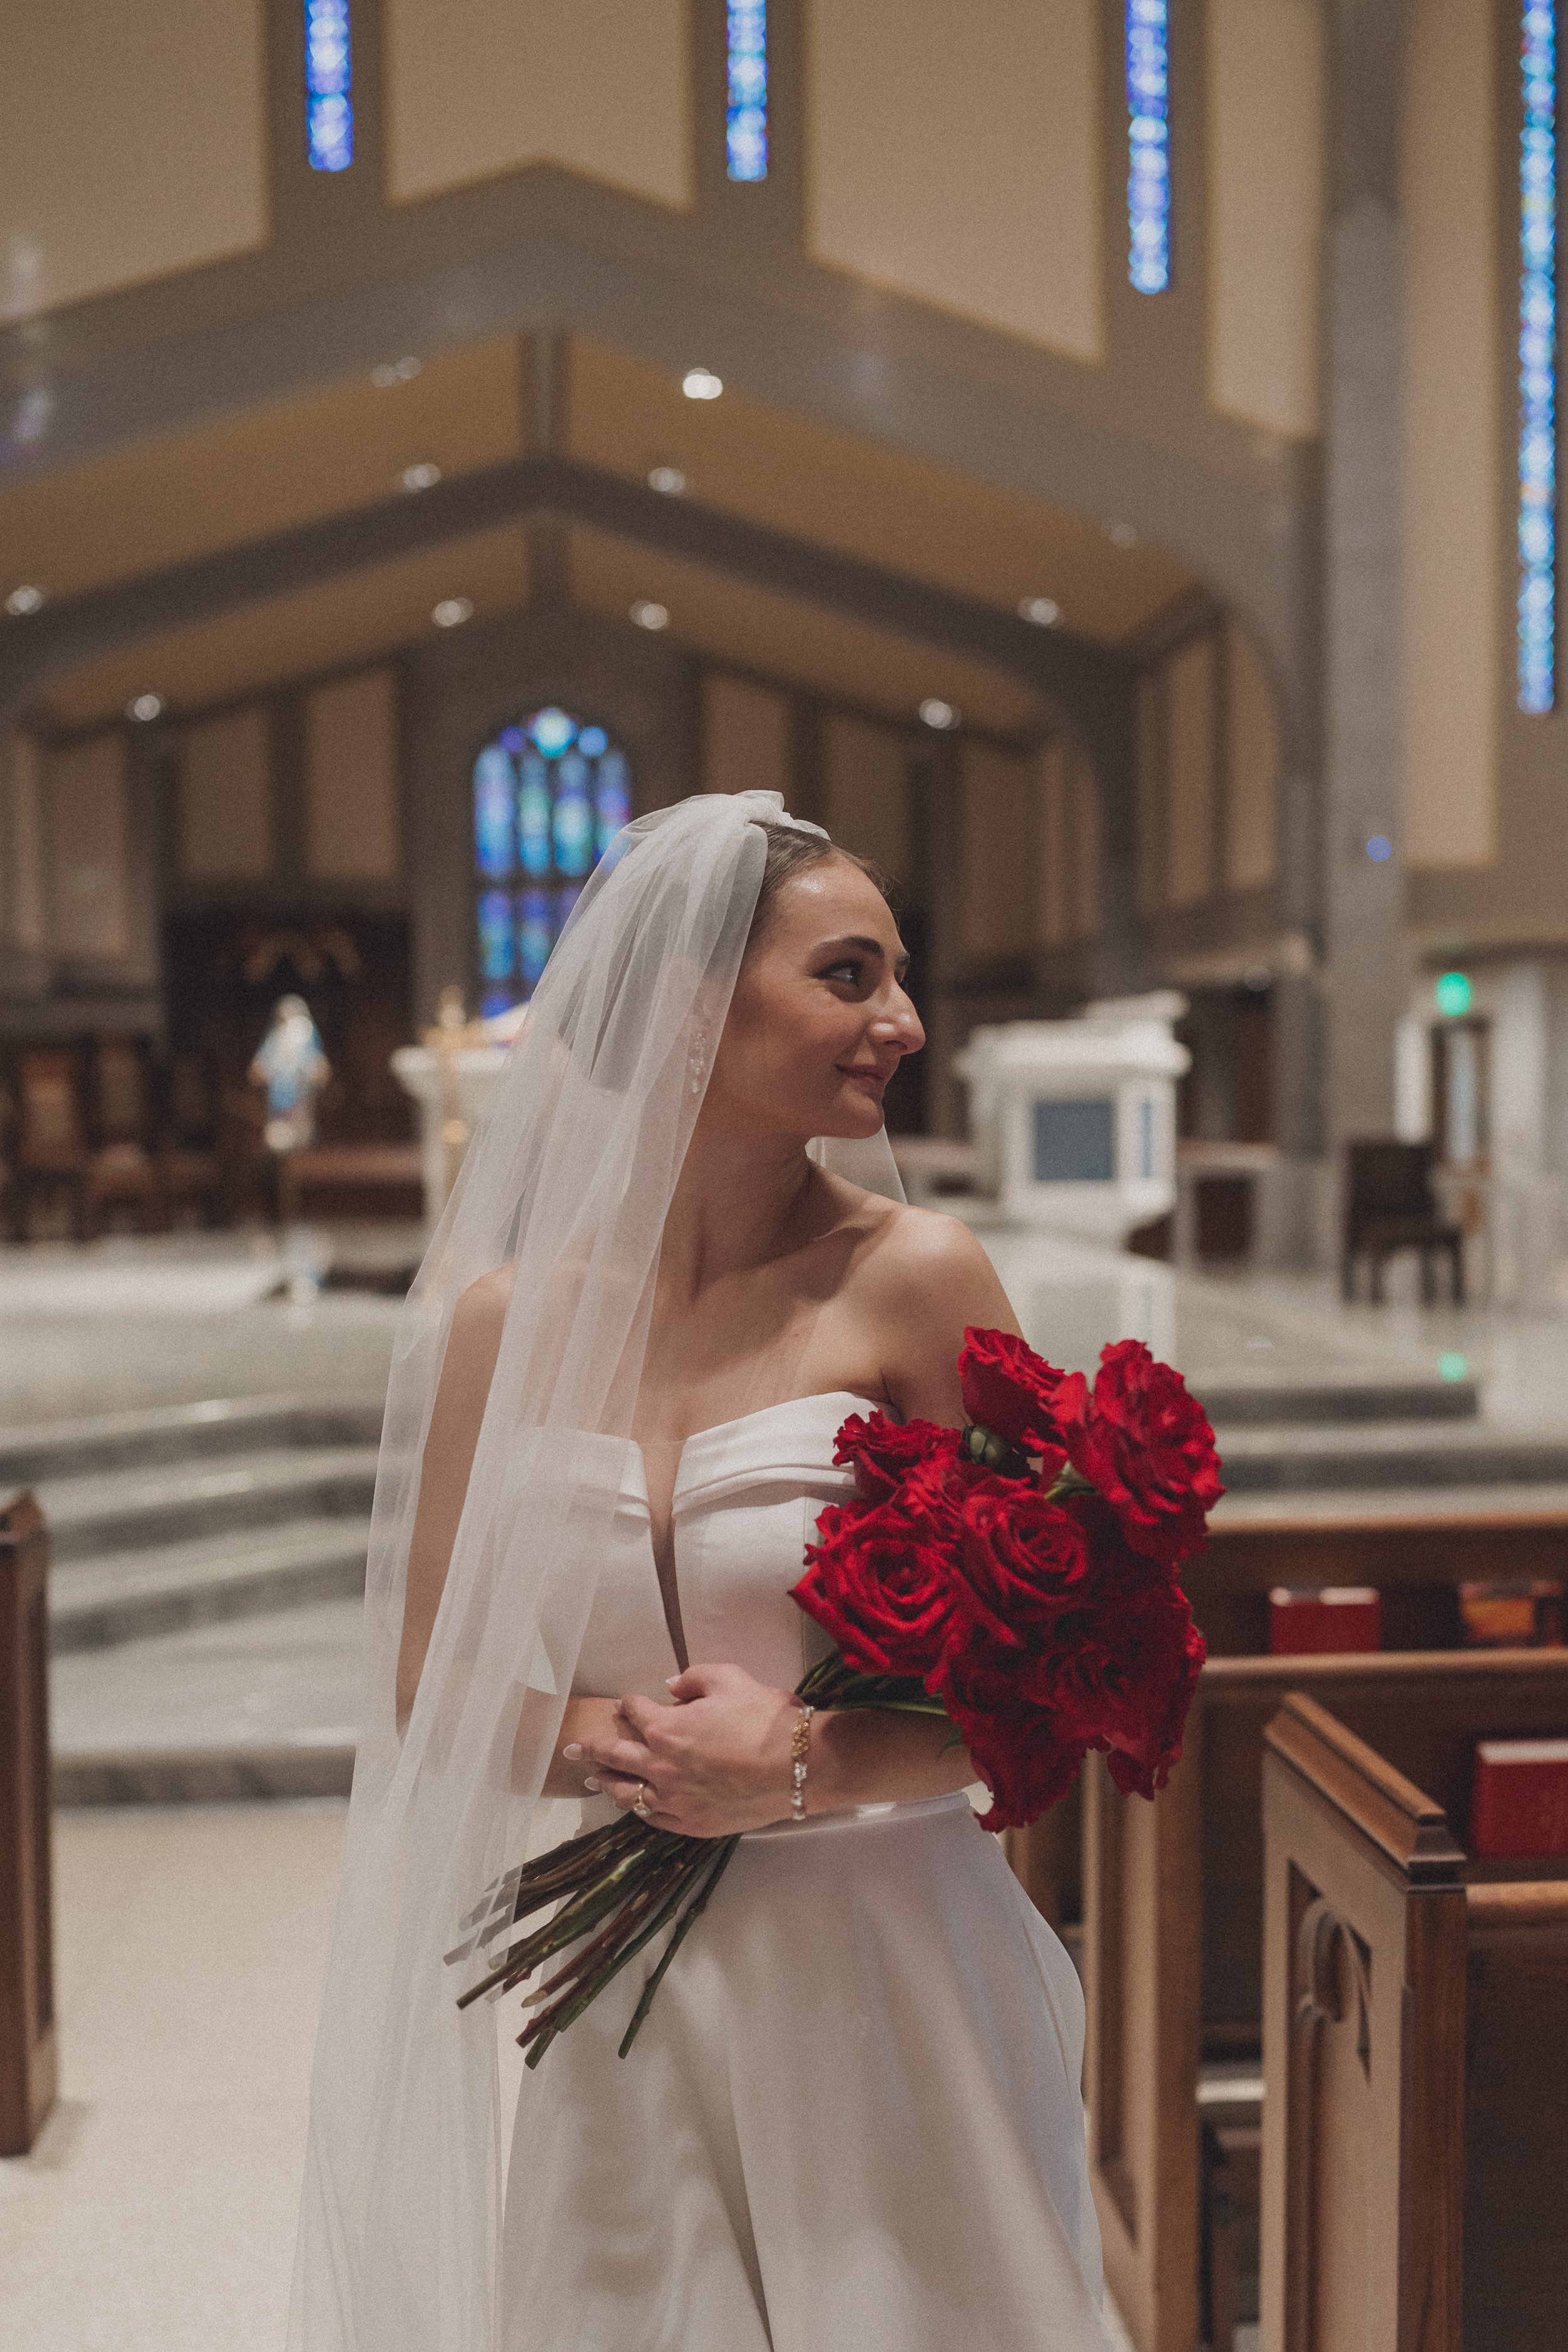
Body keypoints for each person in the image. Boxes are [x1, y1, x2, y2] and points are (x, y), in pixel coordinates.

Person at [290, 792, 1110, 2351]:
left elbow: (1056, 1680)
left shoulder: (917, 1280)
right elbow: (436, 1681)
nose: (905, 1023)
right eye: (851, 976)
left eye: (894, 976)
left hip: (887, 1963)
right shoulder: (504, 1326)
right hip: (624, 1996)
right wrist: (644, 1748)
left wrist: (802, 1764)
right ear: (687, 1002)